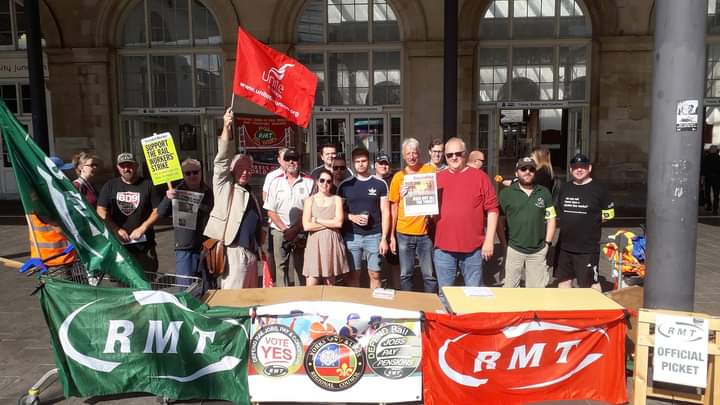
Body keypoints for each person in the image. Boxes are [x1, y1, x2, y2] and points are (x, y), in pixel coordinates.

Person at [204, 108, 263, 289]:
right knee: (233, 299)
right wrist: (226, 127)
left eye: (248, 169)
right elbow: (221, 160)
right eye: (241, 168)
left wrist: (260, 246)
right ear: (232, 170)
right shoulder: (224, 185)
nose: (245, 172)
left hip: (250, 253)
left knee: (249, 299)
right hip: (233, 251)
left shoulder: (250, 191)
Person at [433, 138, 499, 291]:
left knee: (474, 292)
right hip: (444, 247)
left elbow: (493, 210)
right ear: (445, 157)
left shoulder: (480, 177)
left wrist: (489, 240)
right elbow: (427, 209)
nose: (454, 157)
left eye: (458, 153)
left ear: (465, 154)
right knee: (445, 293)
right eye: (449, 155)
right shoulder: (437, 179)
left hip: (473, 248)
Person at [555, 153, 615, 290]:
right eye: (575, 167)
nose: (579, 170)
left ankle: (594, 310)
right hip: (565, 246)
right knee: (563, 282)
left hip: (587, 248)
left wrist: (588, 224)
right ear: (570, 170)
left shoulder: (599, 189)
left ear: (589, 168)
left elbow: (609, 215)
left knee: (590, 284)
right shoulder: (565, 188)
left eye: (583, 167)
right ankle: (563, 310)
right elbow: (560, 211)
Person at [498, 157, 556, 288]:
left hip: (538, 251)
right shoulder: (506, 194)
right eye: (523, 169)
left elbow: (551, 219)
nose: (527, 172)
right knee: (510, 290)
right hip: (514, 249)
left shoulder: (544, 192)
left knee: (536, 293)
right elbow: (499, 221)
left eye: (531, 169)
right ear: (516, 173)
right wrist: (503, 244)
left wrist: (547, 244)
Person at [97, 152, 161, 272]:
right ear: (118, 168)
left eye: (130, 165)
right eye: (123, 166)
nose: (126, 169)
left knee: (146, 281)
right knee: (121, 284)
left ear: (136, 166)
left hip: (144, 245)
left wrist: (142, 228)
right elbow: (101, 210)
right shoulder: (110, 185)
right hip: (119, 245)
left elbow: (157, 210)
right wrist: (116, 229)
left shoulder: (148, 185)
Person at [388, 138, 437, 293]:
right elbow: (393, 207)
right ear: (403, 156)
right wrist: (391, 236)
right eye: (408, 153)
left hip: (425, 232)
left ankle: (430, 306)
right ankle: (409, 306)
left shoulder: (430, 172)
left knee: (429, 275)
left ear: (419, 154)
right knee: (406, 274)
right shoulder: (398, 177)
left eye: (414, 153)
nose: (411, 156)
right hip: (403, 232)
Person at [338, 147, 390, 289]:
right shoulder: (345, 185)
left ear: (369, 162)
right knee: (353, 275)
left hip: (374, 235)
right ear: (352, 163)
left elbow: (385, 211)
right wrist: (351, 217)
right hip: (352, 236)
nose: (361, 164)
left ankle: (374, 306)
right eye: (357, 161)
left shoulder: (380, 183)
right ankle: (356, 307)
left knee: (375, 274)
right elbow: (338, 213)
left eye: (363, 161)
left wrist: (384, 238)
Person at [157, 158, 213, 286]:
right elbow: (160, 213)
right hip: (185, 249)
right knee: (186, 289)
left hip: (206, 247)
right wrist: (167, 198)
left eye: (195, 172)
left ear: (201, 172)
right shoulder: (176, 191)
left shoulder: (208, 192)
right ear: (183, 175)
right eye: (188, 173)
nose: (192, 175)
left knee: (207, 287)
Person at [264, 148, 314, 287]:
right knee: (281, 267)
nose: (291, 162)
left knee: (301, 267)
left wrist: (295, 230)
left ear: (299, 161)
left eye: (294, 159)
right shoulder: (275, 182)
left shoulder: (309, 181)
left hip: (301, 231)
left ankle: (301, 300)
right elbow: (270, 210)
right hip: (280, 231)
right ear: (283, 162)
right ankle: (283, 298)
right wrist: (286, 230)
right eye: (288, 159)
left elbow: (310, 211)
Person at [303, 169, 349, 286]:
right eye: (322, 180)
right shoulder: (309, 200)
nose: (325, 184)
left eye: (328, 181)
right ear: (317, 182)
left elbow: (338, 223)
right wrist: (330, 223)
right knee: (311, 282)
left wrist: (317, 220)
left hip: (331, 242)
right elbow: (307, 226)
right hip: (314, 244)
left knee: (330, 283)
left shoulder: (337, 199)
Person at [373, 151, 401, 289]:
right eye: (381, 163)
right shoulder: (371, 180)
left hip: (392, 226)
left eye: (386, 164)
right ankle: (379, 289)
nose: (384, 166)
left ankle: (397, 289)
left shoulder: (395, 179)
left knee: (394, 261)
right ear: (375, 165)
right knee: (376, 262)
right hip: (375, 224)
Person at [702, 145, 720, 215]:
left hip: (708, 177)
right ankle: (715, 209)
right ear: (716, 150)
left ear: (710, 150)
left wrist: (702, 178)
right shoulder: (719, 158)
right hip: (717, 178)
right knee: (716, 193)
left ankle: (709, 206)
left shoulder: (706, 158)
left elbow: (703, 169)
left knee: (707, 192)